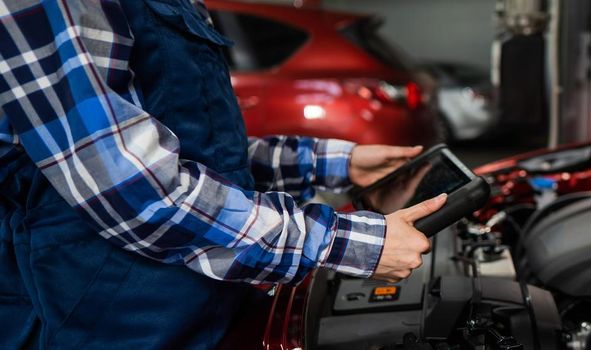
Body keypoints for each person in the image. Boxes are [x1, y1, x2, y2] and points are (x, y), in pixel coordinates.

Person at [0, 0, 439, 348]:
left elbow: (194, 148)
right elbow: (135, 191)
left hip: (204, 299)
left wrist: (335, 163)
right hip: (112, 315)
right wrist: (343, 244)